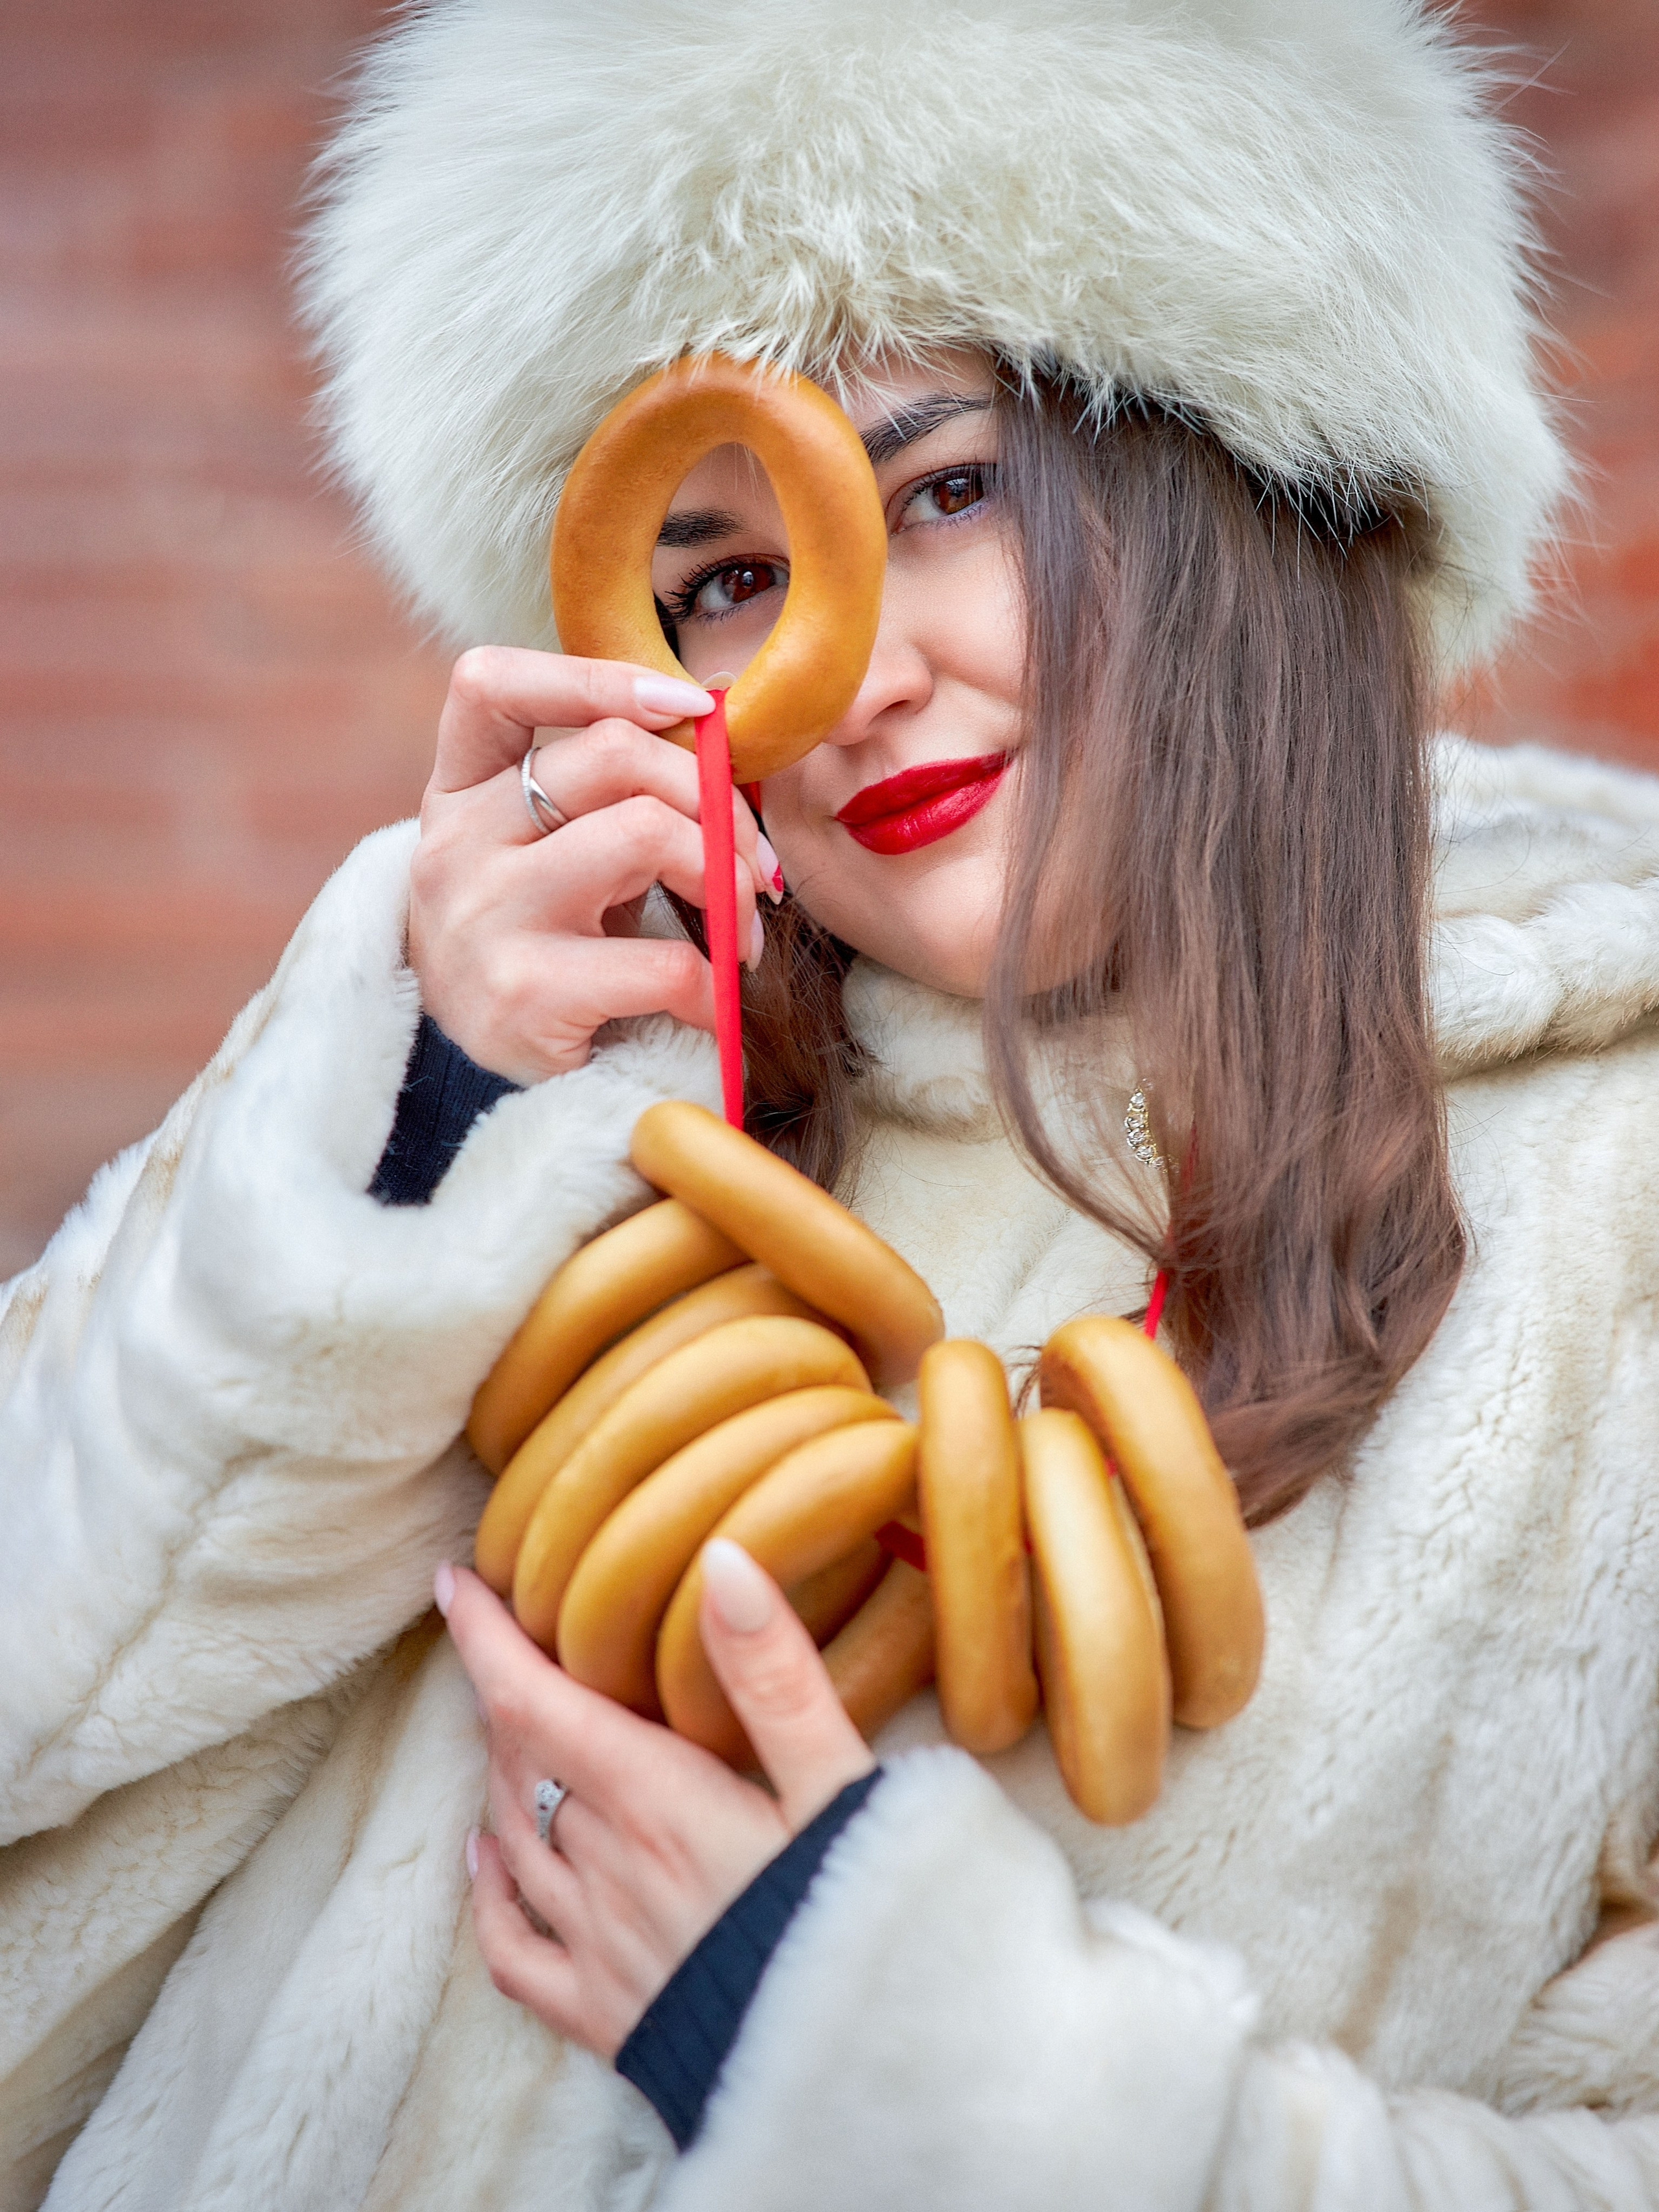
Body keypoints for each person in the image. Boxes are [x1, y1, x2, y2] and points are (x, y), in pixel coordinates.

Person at [5, 0, 1659, 2205]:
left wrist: (896, 2055)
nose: (849, 673)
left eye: (948, 489)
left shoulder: (1615, 1219)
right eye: (725, 580)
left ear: (1238, 470)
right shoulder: (544, 1122)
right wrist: (394, 1146)